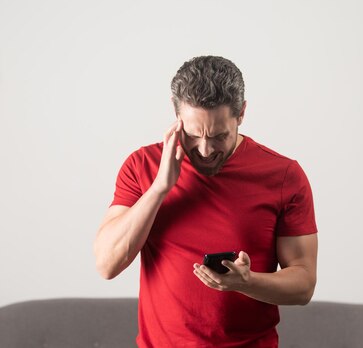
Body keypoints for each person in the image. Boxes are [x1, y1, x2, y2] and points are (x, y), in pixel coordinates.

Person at [93, 56, 318, 347]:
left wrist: (247, 283)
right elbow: (106, 264)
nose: (205, 149)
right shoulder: (143, 166)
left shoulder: (284, 175)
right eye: (193, 135)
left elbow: (303, 285)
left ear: (242, 114)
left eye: (219, 136)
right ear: (176, 118)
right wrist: (160, 188)